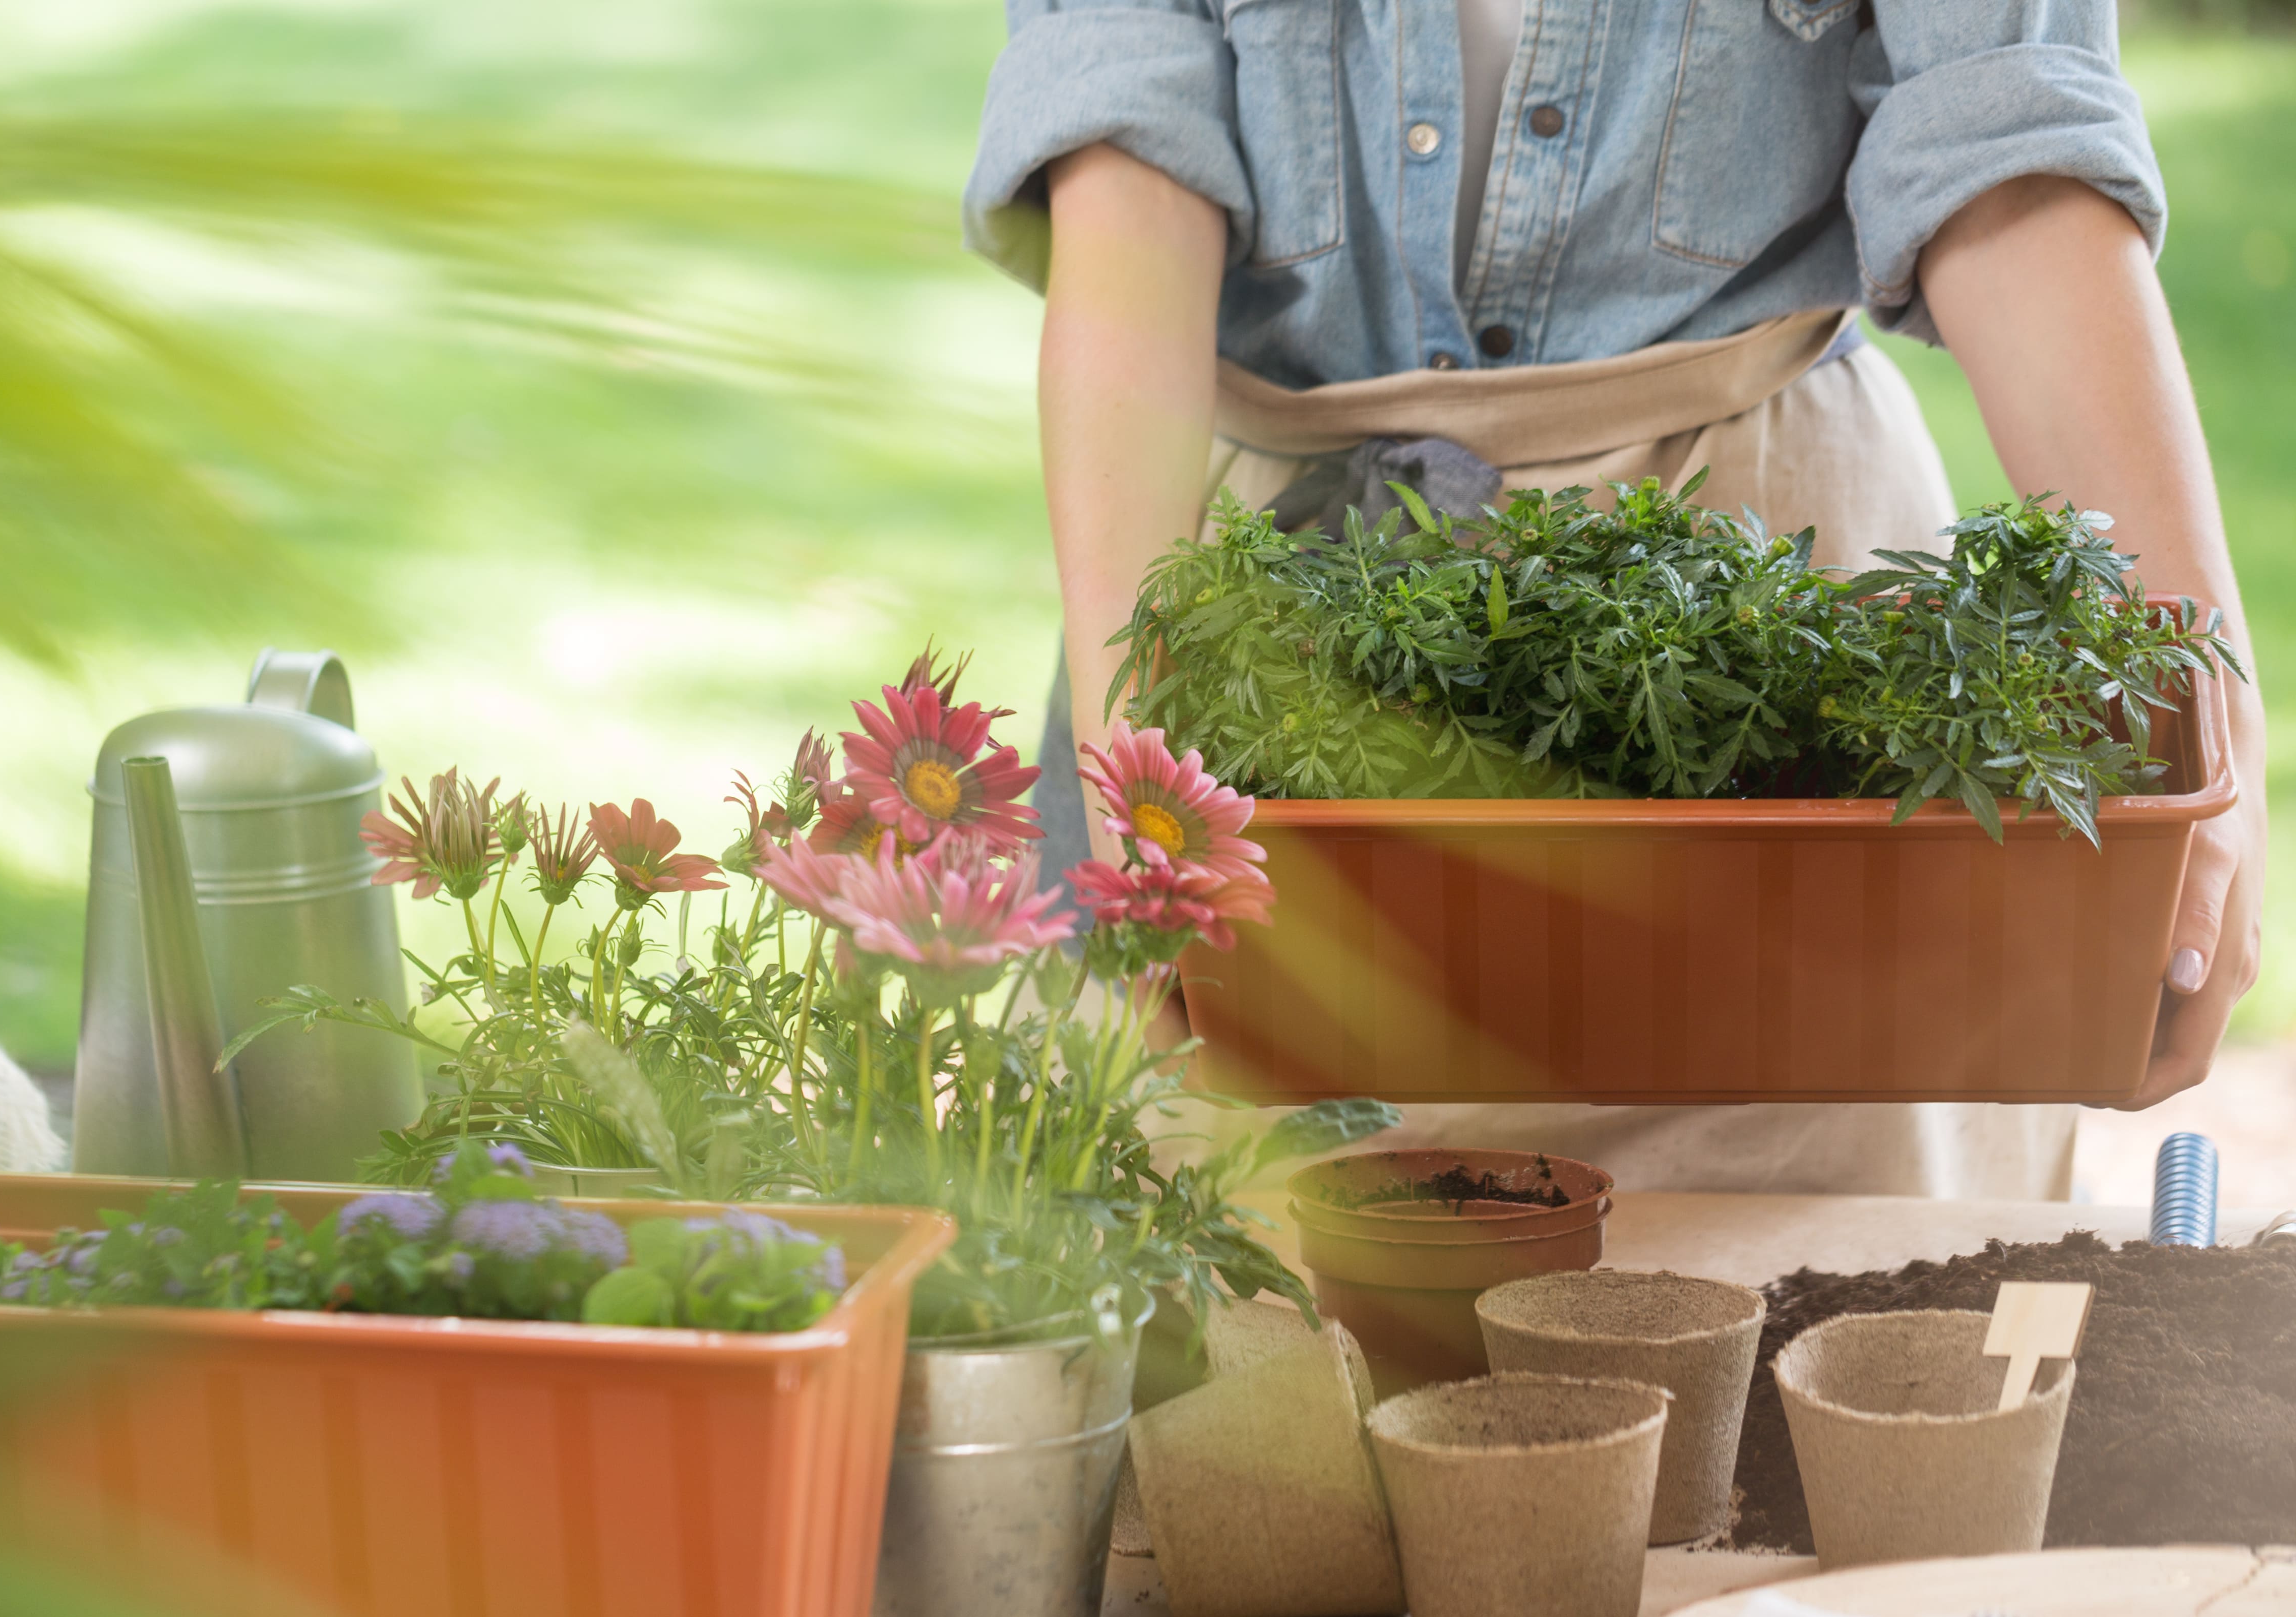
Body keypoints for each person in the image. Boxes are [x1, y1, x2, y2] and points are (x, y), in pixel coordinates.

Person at [968, 0, 2266, 1197]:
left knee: (1810, 1358)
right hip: (1267, 634)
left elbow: (2011, 156)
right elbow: (1128, 173)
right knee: (1234, 1356)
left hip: (1770, 619)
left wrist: (2207, 715)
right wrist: (1133, 756)